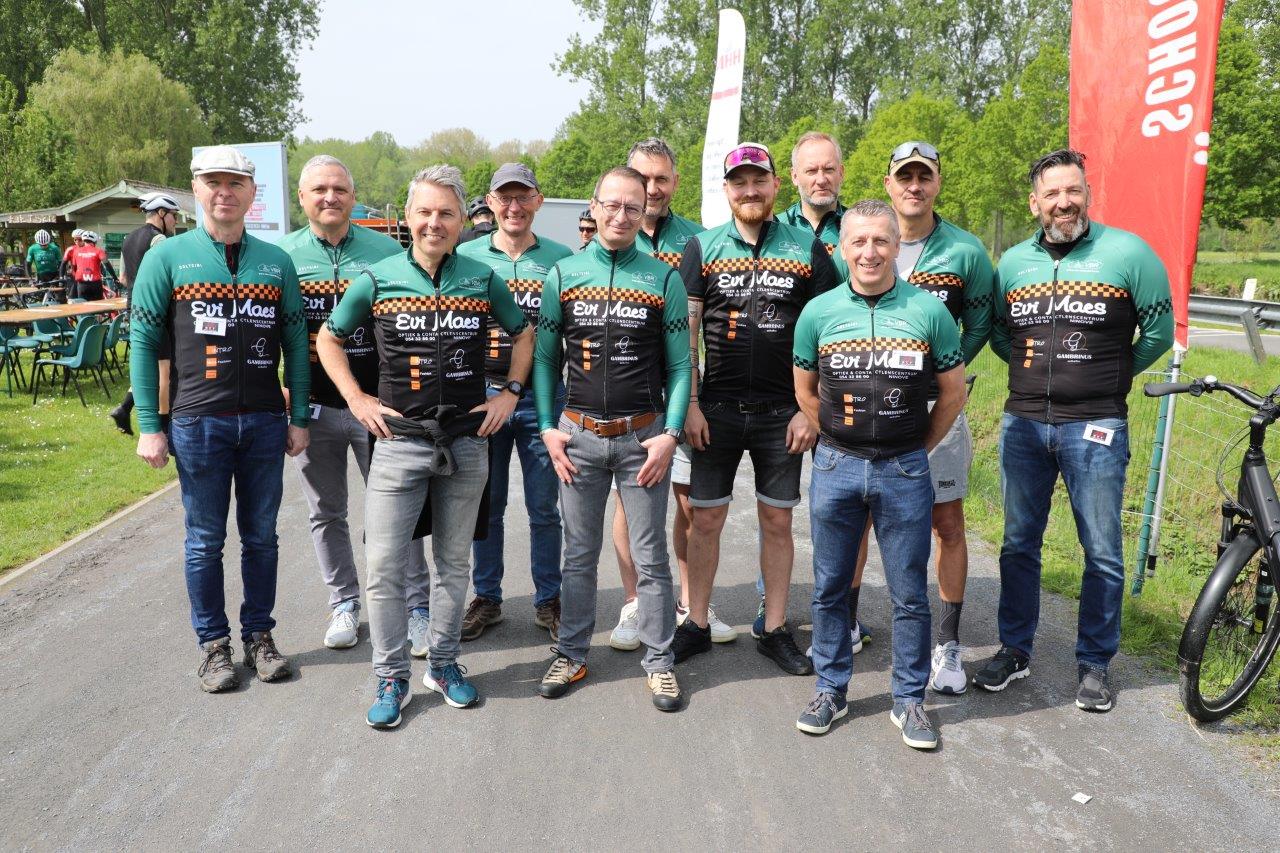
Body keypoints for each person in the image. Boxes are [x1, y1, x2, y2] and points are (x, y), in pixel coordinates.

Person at [318, 164, 532, 729]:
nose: (434, 222)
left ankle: (443, 663)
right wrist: (357, 399)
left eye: (447, 213)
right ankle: (391, 676)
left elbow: (524, 332)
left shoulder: (483, 278)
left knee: (453, 565)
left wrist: (510, 393)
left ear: (462, 221)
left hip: (466, 443)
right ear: (408, 217)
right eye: (425, 212)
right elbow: (329, 338)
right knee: (384, 567)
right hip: (398, 444)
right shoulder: (377, 278)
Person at [975, 148, 1173, 712]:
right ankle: (1014, 650)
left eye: (1073, 191)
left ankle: (1094, 664)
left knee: (1102, 551)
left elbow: (1158, 334)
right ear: (1034, 202)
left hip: (1096, 425)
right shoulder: (1013, 263)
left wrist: (1110, 377)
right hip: (1023, 424)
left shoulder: (1128, 253)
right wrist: (1031, 376)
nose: (1064, 202)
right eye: (1052, 193)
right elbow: (1000, 334)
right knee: (1018, 545)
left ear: (1087, 194)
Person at [130, 145, 311, 693]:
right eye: (213, 182)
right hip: (197, 423)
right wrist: (149, 424)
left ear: (252, 193)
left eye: (235, 183)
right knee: (205, 541)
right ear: (196, 189)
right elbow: (143, 341)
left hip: (264, 421)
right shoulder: (167, 257)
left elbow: (296, 343)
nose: (224, 192)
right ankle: (213, 647)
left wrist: (299, 415)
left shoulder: (276, 262)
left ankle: (259, 636)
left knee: (262, 538)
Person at [792, 199, 965, 747]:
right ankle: (830, 689)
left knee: (909, 592)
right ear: (842, 249)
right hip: (836, 466)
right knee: (829, 587)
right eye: (859, 242)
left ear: (896, 246)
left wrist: (917, 447)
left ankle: (910, 700)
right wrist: (836, 439)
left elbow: (953, 392)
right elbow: (805, 390)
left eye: (881, 241)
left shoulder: (928, 311)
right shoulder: (818, 313)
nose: (870, 252)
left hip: (904, 469)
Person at [839, 141, 995, 694]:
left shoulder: (966, 251)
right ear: (888, 184)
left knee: (946, 523)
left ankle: (947, 644)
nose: (914, 186)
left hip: (933, 407)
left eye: (923, 177)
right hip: (863, 405)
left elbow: (981, 323)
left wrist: (941, 371)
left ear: (937, 183)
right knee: (855, 520)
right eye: (904, 176)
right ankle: (848, 624)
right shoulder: (860, 239)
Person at [675, 142, 838, 674]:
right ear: (726, 190)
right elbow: (686, 333)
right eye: (739, 182)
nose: (749, 190)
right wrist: (690, 405)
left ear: (774, 185)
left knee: (776, 519)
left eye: (758, 180)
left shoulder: (807, 249)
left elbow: (832, 331)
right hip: (715, 410)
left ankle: (774, 628)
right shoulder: (702, 247)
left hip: (782, 413)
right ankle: (696, 623)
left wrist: (810, 411)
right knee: (705, 519)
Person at [533, 165, 691, 712]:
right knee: (579, 554)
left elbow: (681, 366)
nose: (621, 215)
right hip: (577, 437)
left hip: (642, 440)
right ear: (594, 207)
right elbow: (546, 360)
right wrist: (548, 428)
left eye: (633, 207)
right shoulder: (564, 275)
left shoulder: (663, 279)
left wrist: (671, 434)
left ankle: (660, 660)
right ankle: (571, 653)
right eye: (612, 205)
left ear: (644, 211)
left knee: (650, 557)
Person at [278, 154, 433, 654]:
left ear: (353, 196)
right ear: (302, 197)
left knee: (403, 511)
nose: (330, 197)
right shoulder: (283, 257)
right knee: (326, 513)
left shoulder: (387, 251)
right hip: (313, 408)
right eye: (319, 189)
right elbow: (268, 328)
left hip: (383, 408)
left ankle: (417, 608)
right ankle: (343, 603)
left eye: (340, 189)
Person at [457, 163, 573, 641]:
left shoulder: (562, 258)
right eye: (504, 197)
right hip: (482, 395)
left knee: (545, 508)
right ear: (490, 202)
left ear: (538, 201)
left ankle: (549, 599)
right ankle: (487, 597)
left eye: (523, 196)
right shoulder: (466, 254)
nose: (513, 206)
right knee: (487, 504)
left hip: (543, 396)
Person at [608, 138, 717, 651]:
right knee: (629, 504)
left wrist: (691, 399)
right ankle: (634, 602)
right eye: (643, 178)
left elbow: (702, 322)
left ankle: (689, 604)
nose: (652, 188)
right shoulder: (612, 235)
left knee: (688, 502)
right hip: (625, 395)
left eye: (661, 178)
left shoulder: (697, 241)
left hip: (679, 390)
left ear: (675, 182)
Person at [110, 192, 181, 436]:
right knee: (165, 369)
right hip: (157, 309)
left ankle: (124, 408)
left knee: (148, 362)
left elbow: (123, 278)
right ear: (161, 213)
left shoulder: (128, 239)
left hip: (134, 306)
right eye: (173, 216)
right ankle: (164, 424)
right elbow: (169, 276)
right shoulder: (159, 239)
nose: (175, 221)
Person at [778, 131, 849, 279]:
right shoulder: (776, 227)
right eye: (811, 171)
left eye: (829, 169)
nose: (821, 180)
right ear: (794, 176)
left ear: (841, 173)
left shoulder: (859, 228)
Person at [69, 231, 116, 301]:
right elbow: (107, 265)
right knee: (98, 305)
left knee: (83, 305)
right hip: (95, 284)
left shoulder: (76, 251)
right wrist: (115, 277)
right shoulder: (99, 251)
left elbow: (74, 267)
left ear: (83, 240)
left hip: (82, 284)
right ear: (95, 241)